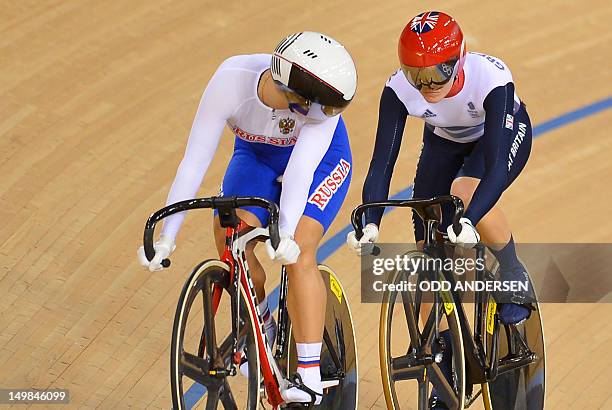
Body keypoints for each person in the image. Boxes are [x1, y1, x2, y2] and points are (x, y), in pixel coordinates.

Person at [138, 32, 357, 406]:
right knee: (230, 236)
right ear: (296, 92)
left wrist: (284, 234)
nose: (326, 111)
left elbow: (302, 171)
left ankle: (308, 377)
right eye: (319, 104)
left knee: (298, 253)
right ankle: (263, 326)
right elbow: (193, 163)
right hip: (256, 156)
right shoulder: (231, 80)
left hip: (320, 163)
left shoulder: (321, 115)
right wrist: (165, 237)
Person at [346, 11, 533, 409]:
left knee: (466, 191)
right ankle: (445, 354)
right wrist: (371, 221)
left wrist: (469, 216)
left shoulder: (491, 78)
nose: (427, 86)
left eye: (437, 74)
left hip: (498, 137)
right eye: (417, 77)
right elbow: (382, 163)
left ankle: (513, 270)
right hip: (444, 143)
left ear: (460, 59)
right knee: (431, 249)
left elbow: (496, 167)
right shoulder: (398, 90)